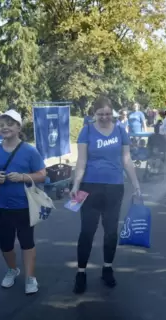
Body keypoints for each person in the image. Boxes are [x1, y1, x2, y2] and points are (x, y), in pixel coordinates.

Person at [70, 96, 141, 294]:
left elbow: (127, 160)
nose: (104, 117)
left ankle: (107, 268)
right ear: (94, 114)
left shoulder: (120, 130)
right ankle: (81, 272)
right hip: (89, 187)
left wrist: (136, 185)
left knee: (110, 232)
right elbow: (81, 161)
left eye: (108, 114)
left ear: (113, 113)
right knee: (87, 232)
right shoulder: (87, 131)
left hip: (114, 187)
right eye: (100, 114)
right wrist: (76, 184)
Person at [0, 110, 45, 294]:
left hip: (25, 205)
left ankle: (30, 278)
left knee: (27, 242)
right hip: (2, 206)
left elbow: (42, 175)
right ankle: (12, 269)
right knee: (6, 244)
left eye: (9, 124)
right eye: (2, 125)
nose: (5, 128)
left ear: (18, 127)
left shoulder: (29, 151)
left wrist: (23, 177)